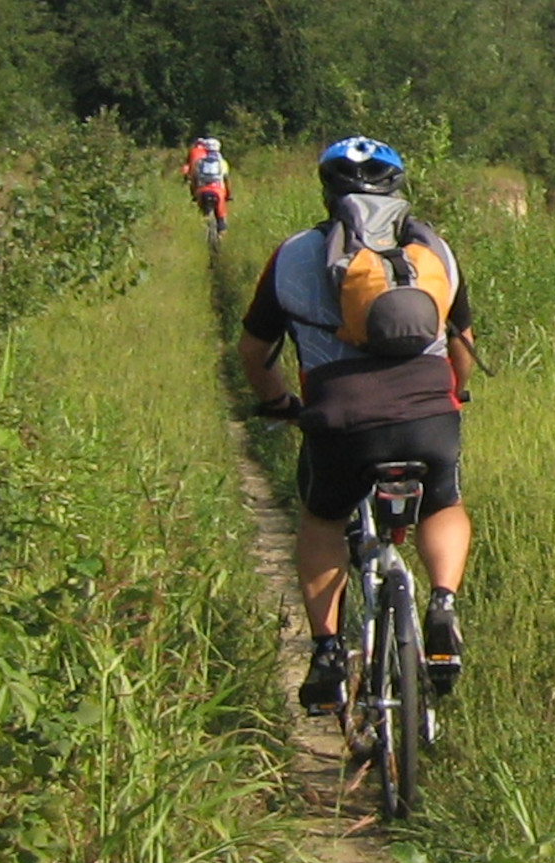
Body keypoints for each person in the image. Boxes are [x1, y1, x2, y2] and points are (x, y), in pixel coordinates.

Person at [237, 136, 480, 713]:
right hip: (428, 413)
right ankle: (442, 603)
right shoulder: (433, 250)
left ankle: (326, 650)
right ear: (397, 189)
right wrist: (456, 391)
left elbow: (253, 350)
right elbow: (462, 341)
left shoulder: (295, 254)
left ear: (327, 192)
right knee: (442, 504)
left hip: (340, 419)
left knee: (323, 519)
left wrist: (278, 403)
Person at [186, 137, 233, 231]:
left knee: (203, 212)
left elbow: (194, 179)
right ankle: (221, 231)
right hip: (218, 190)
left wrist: (193, 194)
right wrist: (229, 194)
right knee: (221, 214)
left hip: (202, 191)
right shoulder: (222, 163)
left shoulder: (199, 162)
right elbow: (226, 180)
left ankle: (204, 230)